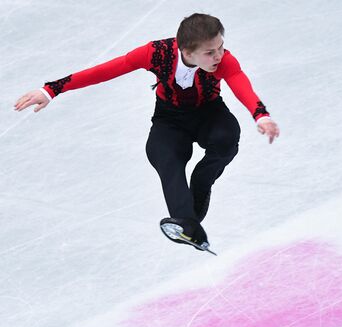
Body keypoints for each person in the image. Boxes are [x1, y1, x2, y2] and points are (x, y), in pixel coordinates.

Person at [14, 13, 280, 253]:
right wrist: (52, 89)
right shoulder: (157, 53)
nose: (219, 55)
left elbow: (240, 82)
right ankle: (187, 223)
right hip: (170, 119)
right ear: (187, 50)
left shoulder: (224, 60)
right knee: (162, 155)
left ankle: (201, 183)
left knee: (227, 138)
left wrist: (261, 115)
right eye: (210, 52)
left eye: (221, 47)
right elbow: (106, 70)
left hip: (209, 113)